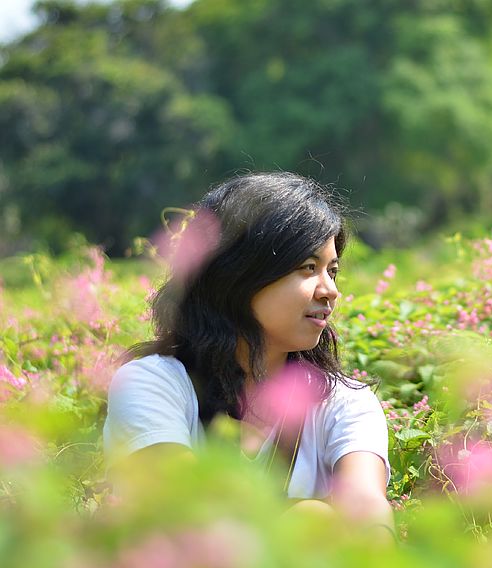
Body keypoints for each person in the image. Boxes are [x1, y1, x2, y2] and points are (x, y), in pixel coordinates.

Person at [103, 172, 395, 544]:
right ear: (241, 275)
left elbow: (367, 504)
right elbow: (182, 508)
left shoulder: (344, 402)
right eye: (308, 267)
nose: (331, 291)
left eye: (332, 271)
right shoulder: (154, 384)